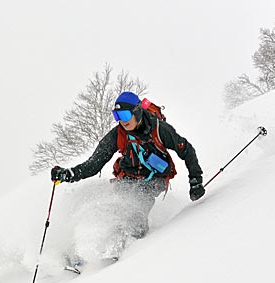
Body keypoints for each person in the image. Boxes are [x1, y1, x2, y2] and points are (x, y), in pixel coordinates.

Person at [51, 91, 205, 247]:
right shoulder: (117, 134)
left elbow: (186, 150)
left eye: (124, 115)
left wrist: (195, 181)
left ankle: (130, 249)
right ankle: (88, 248)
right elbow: (94, 164)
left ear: (137, 111)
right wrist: (68, 174)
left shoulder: (158, 129)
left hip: (154, 178)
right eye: (117, 116)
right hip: (127, 177)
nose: (122, 121)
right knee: (115, 208)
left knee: (137, 209)